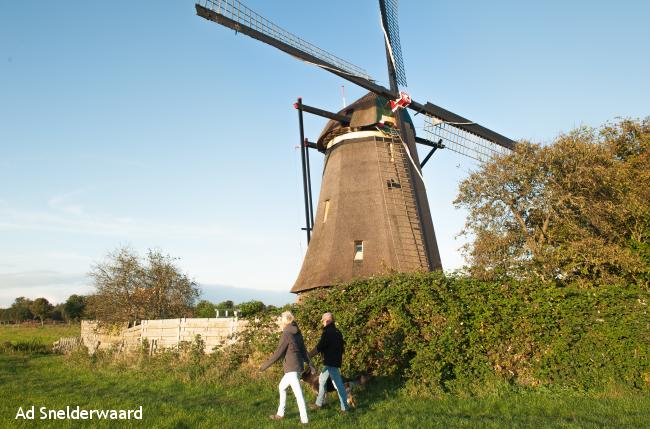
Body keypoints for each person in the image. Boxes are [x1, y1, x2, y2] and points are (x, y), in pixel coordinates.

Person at [260, 311, 315, 424]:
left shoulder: (286, 333)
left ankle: (304, 420)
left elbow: (278, 353)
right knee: (282, 387)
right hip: (298, 367)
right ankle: (280, 414)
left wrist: (263, 367)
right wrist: (310, 364)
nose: (280, 322)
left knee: (298, 395)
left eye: (281, 320)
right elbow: (304, 351)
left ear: (285, 321)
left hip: (291, 369)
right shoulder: (297, 332)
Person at [308, 312, 349, 412]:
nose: (323, 323)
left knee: (338, 385)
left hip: (331, 363)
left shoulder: (328, 332)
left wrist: (307, 356)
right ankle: (319, 403)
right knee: (322, 380)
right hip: (333, 361)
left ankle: (345, 408)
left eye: (323, 321)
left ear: (327, 321)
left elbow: (319, 347)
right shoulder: (337, 332)